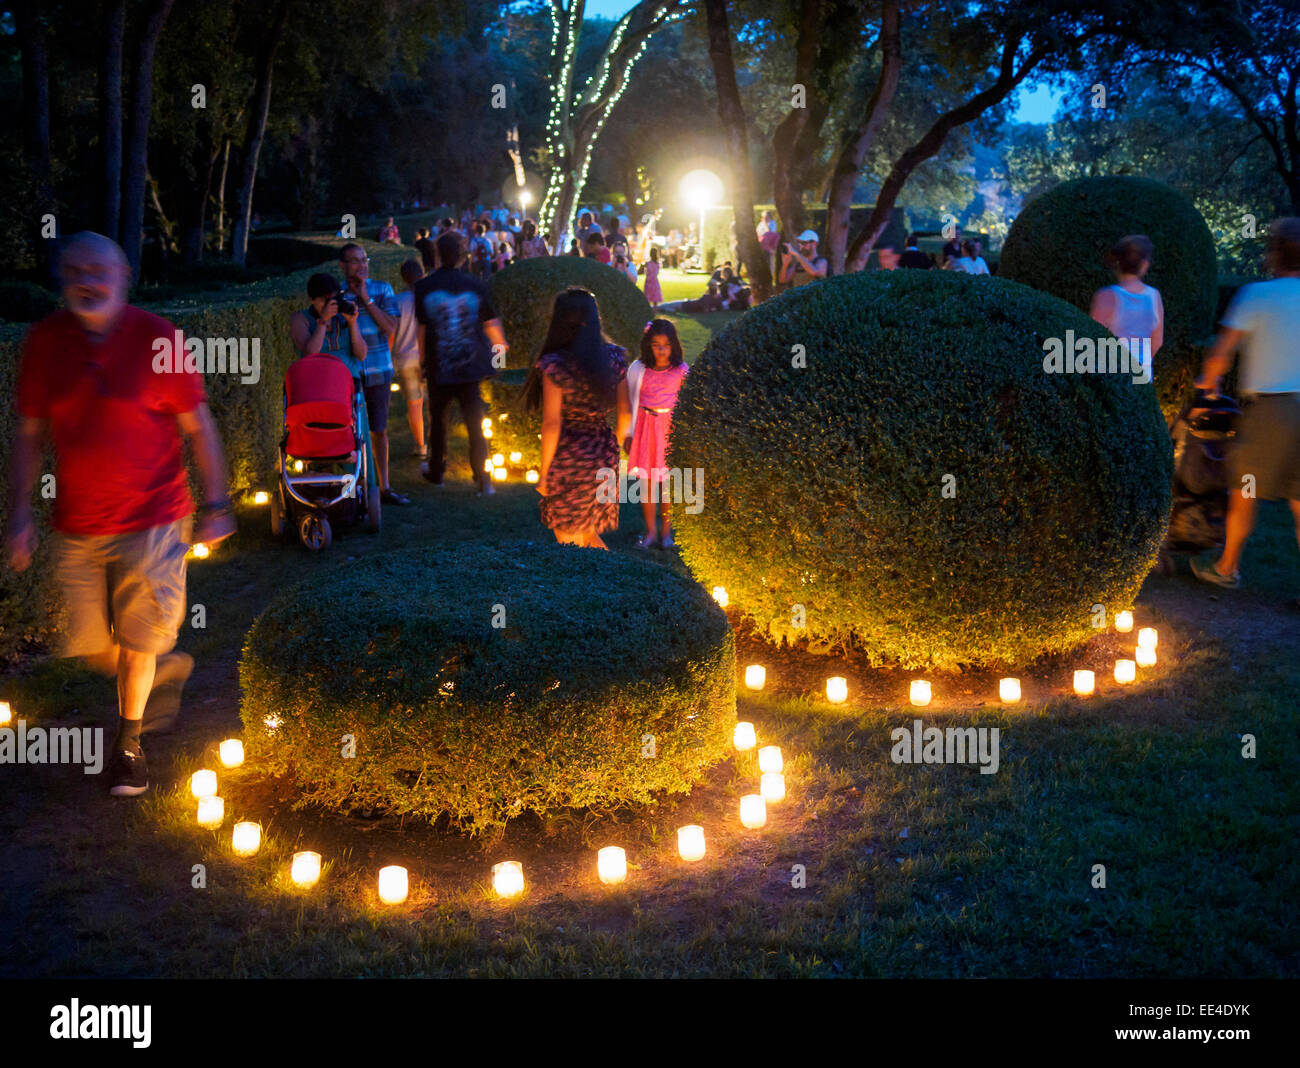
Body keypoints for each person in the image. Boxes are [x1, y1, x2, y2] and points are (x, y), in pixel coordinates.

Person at [7, 232, 235, 797]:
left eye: (98, 269)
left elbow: (198, 426)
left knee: (138, 636)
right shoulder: (45, 343)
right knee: (86, 644)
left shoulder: (159, 339)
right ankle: (164, 665)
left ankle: (129, 747)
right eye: (74, 269)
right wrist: (19, 514)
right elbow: (29, 434)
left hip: (155, 515)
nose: (87, 279)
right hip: (78, 522)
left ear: (124, 274)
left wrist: (217, 502)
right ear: (61, 278)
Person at [1191, 217, 1300, 600]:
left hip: (1270, 413)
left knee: (1245, 488)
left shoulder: (1256, 295)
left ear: (1274, 254)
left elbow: (1221, 355)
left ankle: (1227, 568)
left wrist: (1208, 383)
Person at [523, 288, 630, 549]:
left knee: (569, 540)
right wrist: (609, 447)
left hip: (569, 456)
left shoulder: (556, 364)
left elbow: (551, 424)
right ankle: (619, 583)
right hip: (603, 452)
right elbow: (625, 412)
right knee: (585, 535)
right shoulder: (615, 357)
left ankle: (610, 585)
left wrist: (545, 473)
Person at [414, 231, 506, 494]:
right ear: (463, 255)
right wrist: (500, 351)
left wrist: (422, 362)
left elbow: (422, 329)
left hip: (438, 366)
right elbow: (491, 323)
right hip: (470, 365)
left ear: (437, 255)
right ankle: (483, 479)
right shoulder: (476, 285)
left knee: (438, 422)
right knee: (475, 424)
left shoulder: (424, 287)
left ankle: (436, 472)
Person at [337, 243, 409, 505]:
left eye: (364, 259)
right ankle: (355, 487)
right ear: (343, 266)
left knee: (379, 428)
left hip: (379, 368)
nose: (362, 265)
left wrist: (366, 297)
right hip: (350, 373)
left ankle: (384, 486)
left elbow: (390, 327)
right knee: (349, 431)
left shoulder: (382, 289)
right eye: (355, 261)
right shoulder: (338, 294)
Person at [625, 320, 688, 548]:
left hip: (669, 429)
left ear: (674, 346)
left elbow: (687, 403)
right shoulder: (639, 369)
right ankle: (650, 531)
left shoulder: (681, 371)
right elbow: (630, 401)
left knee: (667, 483)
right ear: (648, 345)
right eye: (656, 344)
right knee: (647, 482)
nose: (661, 349)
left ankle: (666, 533)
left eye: (666, 344)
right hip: (645, 429)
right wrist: (628, 433)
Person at [1089, 235, 1164, 361]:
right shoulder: (1154, 296)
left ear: (1118, 262)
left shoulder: (1106, 296)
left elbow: (1093, 338)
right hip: (1142, 373)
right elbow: (1157, 342)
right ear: (1144, 265)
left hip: (1111, 371)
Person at [389, 258, 428, 460]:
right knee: (434, 405)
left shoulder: (397, 301)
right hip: (428, 358)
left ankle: (421, 446)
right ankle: (437, 442)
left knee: (415, 405)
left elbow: (391, 333)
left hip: (404, 359)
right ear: (422, 274)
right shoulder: (429, 298)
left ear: (403, 278)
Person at [290, 272, 368, 366]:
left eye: (334, 299)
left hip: (347, 376)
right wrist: (323, 321)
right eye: (325, 300)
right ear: (311, 299)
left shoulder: (342, 316)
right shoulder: (300, 318)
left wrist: (352, 323)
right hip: (320, 377)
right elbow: (310, 354)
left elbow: (361, 355)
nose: (330, 304)